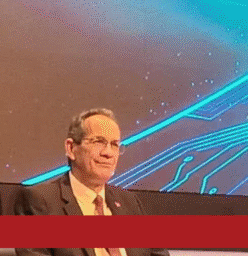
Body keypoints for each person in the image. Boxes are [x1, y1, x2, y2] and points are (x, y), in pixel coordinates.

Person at [13, 109, 169, 256]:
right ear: (71, 148)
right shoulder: (39, 201)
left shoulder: (129, 202)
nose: (108, 153)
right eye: (98, 142)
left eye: (114, 145)